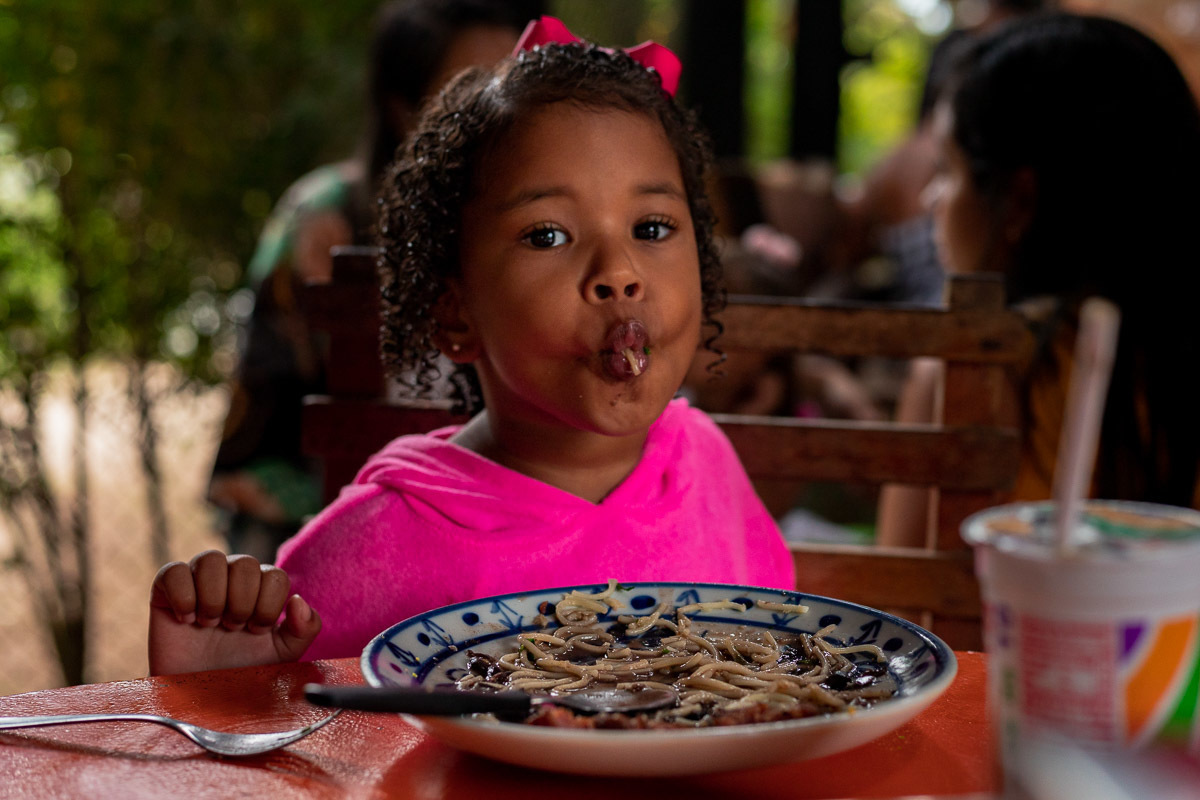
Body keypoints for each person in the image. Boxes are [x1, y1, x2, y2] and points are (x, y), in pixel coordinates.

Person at [149, 18, 797, 675]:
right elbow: (291, 740)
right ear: (455, 314)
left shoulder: (706, 465)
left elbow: (776, 675)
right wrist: (221, 684)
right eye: (547, 235)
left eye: (652, 226)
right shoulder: (377, 545)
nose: (620, 270)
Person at [208, 0, 542, 563]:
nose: (504, 112)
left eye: (519, 85)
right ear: (401, 109)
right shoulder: (324, 217)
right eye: (472, 93)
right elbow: (264, 428)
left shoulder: (551, 220)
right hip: (331, 540)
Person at [876, 12, 1200, 547]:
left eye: (946, 171)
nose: (931, 199)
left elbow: (901, 602)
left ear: (1019, 201)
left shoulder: (965, 373)